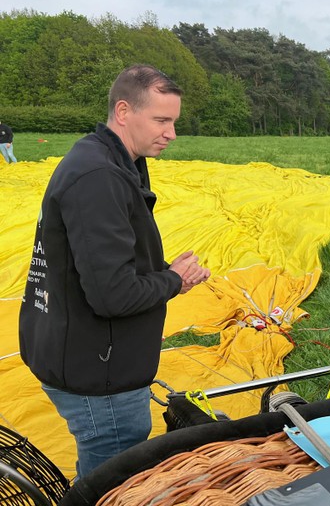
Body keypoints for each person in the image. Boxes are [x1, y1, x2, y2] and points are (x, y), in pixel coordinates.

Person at [18, 64, 211, 478]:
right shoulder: (99, 176)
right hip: (96, 371)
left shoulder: (111, 160)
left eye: (173, 122)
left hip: (84, 353)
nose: (171, 133)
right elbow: (112, 295)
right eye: (161, 120)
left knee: (106, 462)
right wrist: (175, 280)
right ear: (124, 111)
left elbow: (102, 260)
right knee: (113, 469)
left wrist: (162, 270)